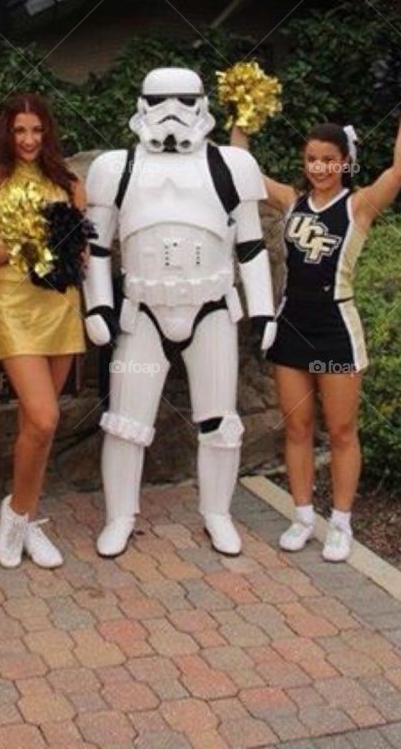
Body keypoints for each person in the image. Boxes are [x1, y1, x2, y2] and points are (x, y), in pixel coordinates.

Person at [84, 67, 275, 558]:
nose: (171, 112)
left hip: (210, 307)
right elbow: (96, 248)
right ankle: (120, 516)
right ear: (143, 104)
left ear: (202, 104)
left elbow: (251, 246)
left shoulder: (230, 166)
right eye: (160, 100)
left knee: (219, 421)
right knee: (126, 423)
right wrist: (99, 304)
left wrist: (264, 311)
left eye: (182, 101)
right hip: (142, 311)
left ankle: (217, 513)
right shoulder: (115, 167)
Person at [231, 95, 401, 561]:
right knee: (296, 428)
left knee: (341, 430)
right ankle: (302, 517)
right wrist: (241, 114)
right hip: (292, 327)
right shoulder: (292, 202)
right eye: (312, 159)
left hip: (336, 329)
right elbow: (243, 169)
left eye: (329, 160)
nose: (319, 168)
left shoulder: (359, 207)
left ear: (344, 163)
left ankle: (341, 523)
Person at [0, 93, 86, 568]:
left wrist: (60, 250)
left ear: (48, 132)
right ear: (6, 133)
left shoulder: (71, 182)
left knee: (37, 426)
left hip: (59, 306)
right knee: (43, 417)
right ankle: (14, 514)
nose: (29, 140)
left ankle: (27, 516)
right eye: (20, 131)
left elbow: (79, 251)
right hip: (12, 305)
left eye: (37, 131)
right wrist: (26, 245)